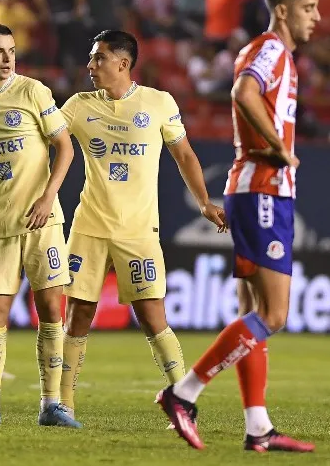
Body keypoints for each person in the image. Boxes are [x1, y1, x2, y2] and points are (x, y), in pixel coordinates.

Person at [156, 0, 320, 453]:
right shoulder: (270, 49)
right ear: (284, 10)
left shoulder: (280, 56)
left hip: (260, 191)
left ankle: (258, 427)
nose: (317, 17)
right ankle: (182, 393)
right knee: (274, 313)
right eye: (309, 7)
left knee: (252, 314)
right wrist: (278, 147)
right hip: (263, 189)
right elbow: (243, 93)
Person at [57, 29, 227, 422]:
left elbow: (183, 154)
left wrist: (203, 202)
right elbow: (47, 138)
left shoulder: (158, 103)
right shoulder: (79, 106)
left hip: (139, 230)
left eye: (99, 58)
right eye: (91, 57)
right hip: (90, 226)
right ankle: (63, 403)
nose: (90, 65)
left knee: (153, 317)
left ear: (123, 63)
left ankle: (183, 400)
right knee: (78, 314)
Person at [0, 23, 79, 428]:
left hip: (42, 220)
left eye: (11, 49)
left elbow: (65, 147)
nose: (7, 57)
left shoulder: (34, 90)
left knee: (50, 308)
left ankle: (51, 404)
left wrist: (48, 197)